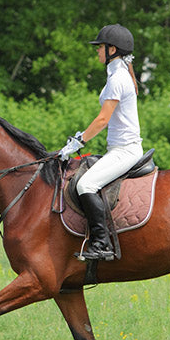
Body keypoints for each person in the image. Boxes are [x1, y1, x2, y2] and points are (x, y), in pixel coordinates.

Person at [58, 24, 142, 261]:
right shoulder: (118, 75)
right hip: (118, 149)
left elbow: (103, 119)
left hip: (125, 151)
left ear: (112, 50)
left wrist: (78, 142)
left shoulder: (118, 79)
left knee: (86, 185)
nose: (97, 52)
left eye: (100, 48)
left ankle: (102, 244)